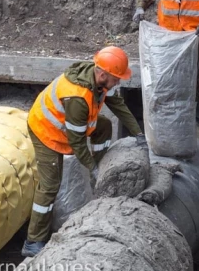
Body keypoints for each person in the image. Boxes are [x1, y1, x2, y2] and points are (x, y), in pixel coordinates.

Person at [21, 46, 146, 257]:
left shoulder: (102, 80)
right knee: (50, 186)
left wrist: (138, 134)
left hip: (71, 127)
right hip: (47, 132)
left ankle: (100, 169)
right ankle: (33, 241)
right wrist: (92, 167)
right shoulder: (78, 98)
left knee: (104, 125)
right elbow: (77, 142)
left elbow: (119, 105)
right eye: (117, 78)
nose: (119, 82)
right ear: (103, 74)